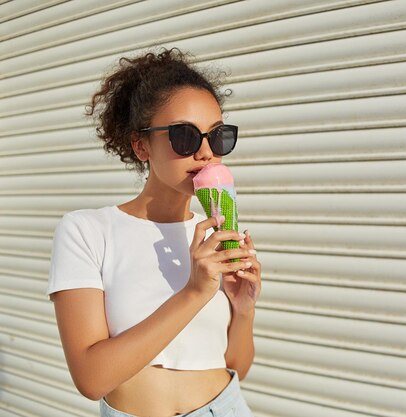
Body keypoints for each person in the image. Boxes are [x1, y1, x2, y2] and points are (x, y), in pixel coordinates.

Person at [46, 47, 261, 417]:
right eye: (184, 136)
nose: (206, 152)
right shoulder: (87, 231)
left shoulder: (214, 235)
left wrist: (243, 310)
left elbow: (234, 367)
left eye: (217, 136)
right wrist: (194, 292)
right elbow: (91, 379)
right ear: (141, 145)